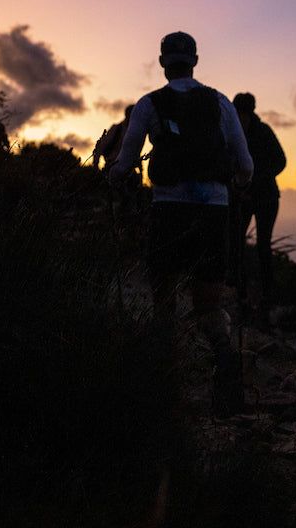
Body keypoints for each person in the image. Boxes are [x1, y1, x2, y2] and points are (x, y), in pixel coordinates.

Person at [110, 31, 254, 417]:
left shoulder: (148, 104)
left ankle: (166, 387)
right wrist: (236, 186)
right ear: (195, 61)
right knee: (209, 304)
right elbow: (245, 166)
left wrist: (111, 173)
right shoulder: (221, 103)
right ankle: (224, 366)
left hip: (168, 211)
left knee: (165, 300)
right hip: (213, 213)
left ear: (162, 63)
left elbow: (124, 164)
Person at [229, 92, 286, 317]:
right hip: (243, 198)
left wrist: (255, 181)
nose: (239, 118)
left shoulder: (264, 132)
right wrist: (236, 187)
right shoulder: (232, 134)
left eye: (241, 114)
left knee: (263, 246)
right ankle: (241, 296)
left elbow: (281, 161)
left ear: (248, 113)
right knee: (237, 246)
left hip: (266, 199)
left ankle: (266, 298)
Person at [92, 105, 133, 170]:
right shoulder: (116, 129)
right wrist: (95, 166)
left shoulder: (133, 133)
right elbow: (101, 146)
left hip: (127, 170)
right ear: (127, 114)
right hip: (111, 166)